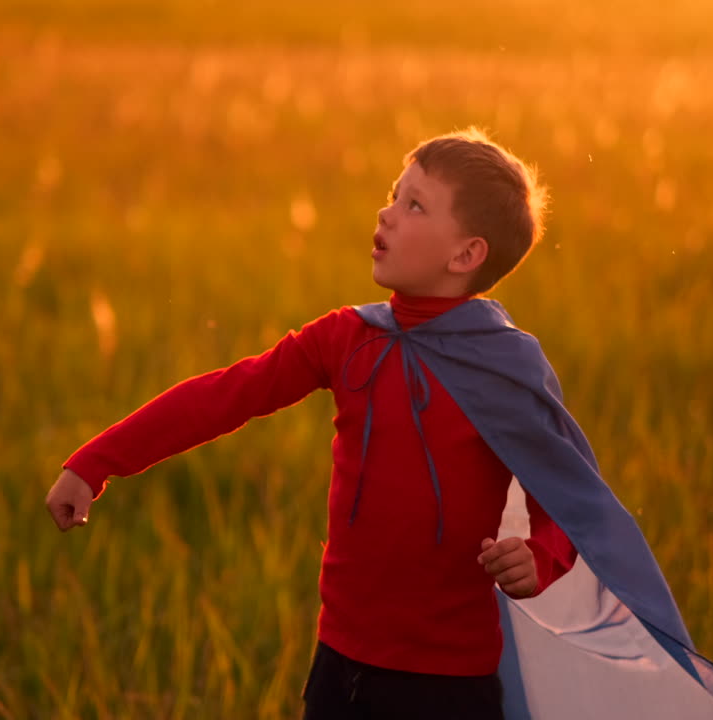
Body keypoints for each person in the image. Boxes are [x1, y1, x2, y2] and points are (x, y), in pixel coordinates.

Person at [46, 127, 574, 719]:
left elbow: (570, 498)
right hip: (340, 664)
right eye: (394, 194)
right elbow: (227, 396)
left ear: (465, 255)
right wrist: (95, 463)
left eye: (415, 205)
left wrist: (540, 556)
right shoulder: (348, 338)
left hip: (449, 682)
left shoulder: (506, 366)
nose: (387, 212)